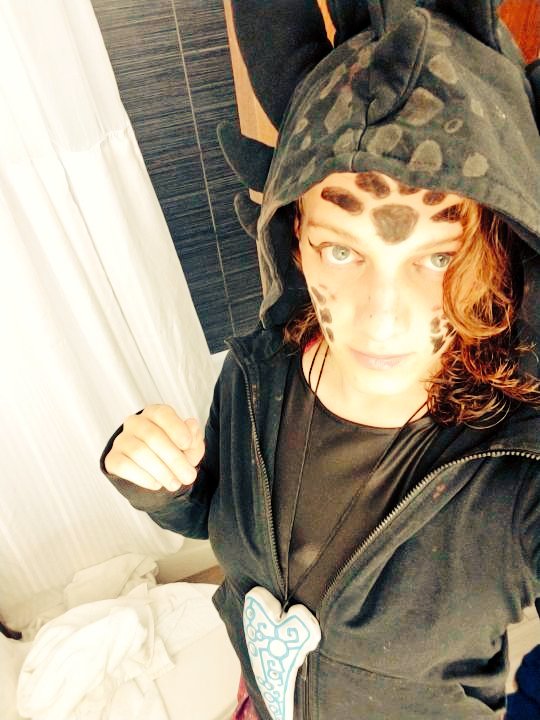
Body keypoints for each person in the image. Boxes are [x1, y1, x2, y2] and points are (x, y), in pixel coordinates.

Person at [100, 1, 540, 718]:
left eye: (438, 259)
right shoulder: (256, 373)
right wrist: (165, 485)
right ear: (296, 240)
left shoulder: (520, 470)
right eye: (342, 250)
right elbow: (213, 514)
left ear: (495, 261)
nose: (381, 316)